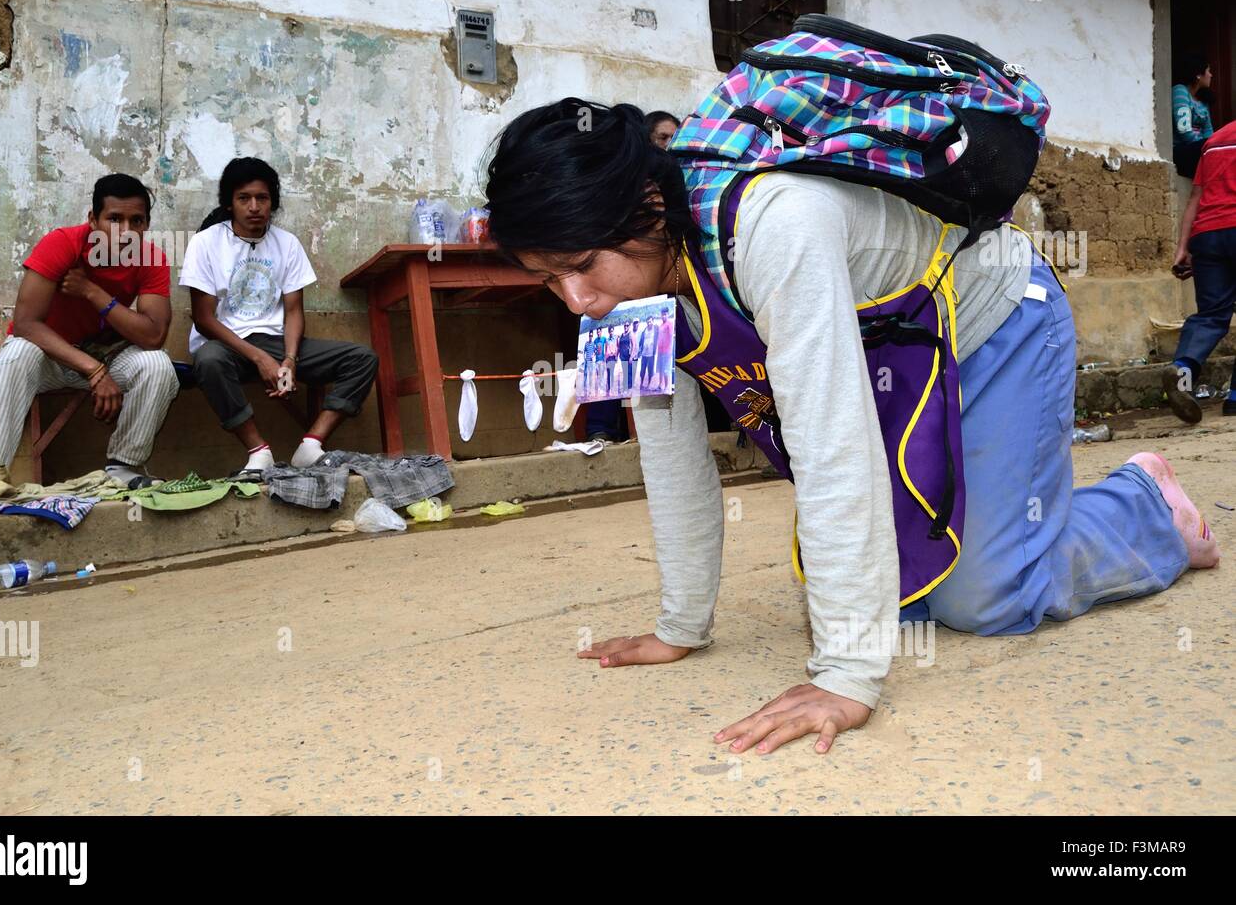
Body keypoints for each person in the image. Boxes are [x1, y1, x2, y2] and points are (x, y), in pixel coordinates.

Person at [483, 98, 1218, 757]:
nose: (577, 301)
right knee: (903, 603)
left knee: (988, 601)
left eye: (580, 265)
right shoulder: (628, 304)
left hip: (998, 326)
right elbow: (672, 460)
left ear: (648, 205)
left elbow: (833, 447)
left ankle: (1144, 505)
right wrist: (681, 627)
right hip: (895, 371)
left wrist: (846, 676)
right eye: (549, 279)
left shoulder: (773, 226)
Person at [0, 174, 178, 517]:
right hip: (48, 358)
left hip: (107, 359)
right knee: (18, 351)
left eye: (136, 221)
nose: (125, 231)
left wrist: (93, 293)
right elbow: (26, 324)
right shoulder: (62, 243)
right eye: (114, 219)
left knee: (157, 364)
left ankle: (124, 467)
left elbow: (153, 335)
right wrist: (93, 370)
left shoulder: (150, 258)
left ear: (147, 225)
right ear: (92, 220)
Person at [181, 157, 378, 476]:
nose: (254, 206)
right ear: (230, 203)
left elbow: (294, 311)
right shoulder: (206, 243)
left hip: (276, 343)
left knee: (362, 358)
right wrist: (261, 359)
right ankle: (258, 452)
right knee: (208, 361)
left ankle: (311, 445)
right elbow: (204, 319)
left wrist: (289, 360)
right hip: (227, 344)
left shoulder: (286, 243)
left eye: (263, 198)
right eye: (244, 198)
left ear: (273, 202)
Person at [1162, 118, 1236, 422]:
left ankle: (1182, 372)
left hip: (1207, 235)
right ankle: (1234, 399)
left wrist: (1183, 247)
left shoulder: (1214, 140)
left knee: (1211, 314)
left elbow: (1195, 198)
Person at [1172, 54, 1215, 179]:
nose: (1211, 75)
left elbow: (1208, 131)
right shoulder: (1180, 91)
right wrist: (1208, 148)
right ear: (1198, 74)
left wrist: (1211, 146)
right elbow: (1183, 129)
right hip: (1183, 150)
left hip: (1200, 149)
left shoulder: (1203, 100)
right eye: (1208, 71)